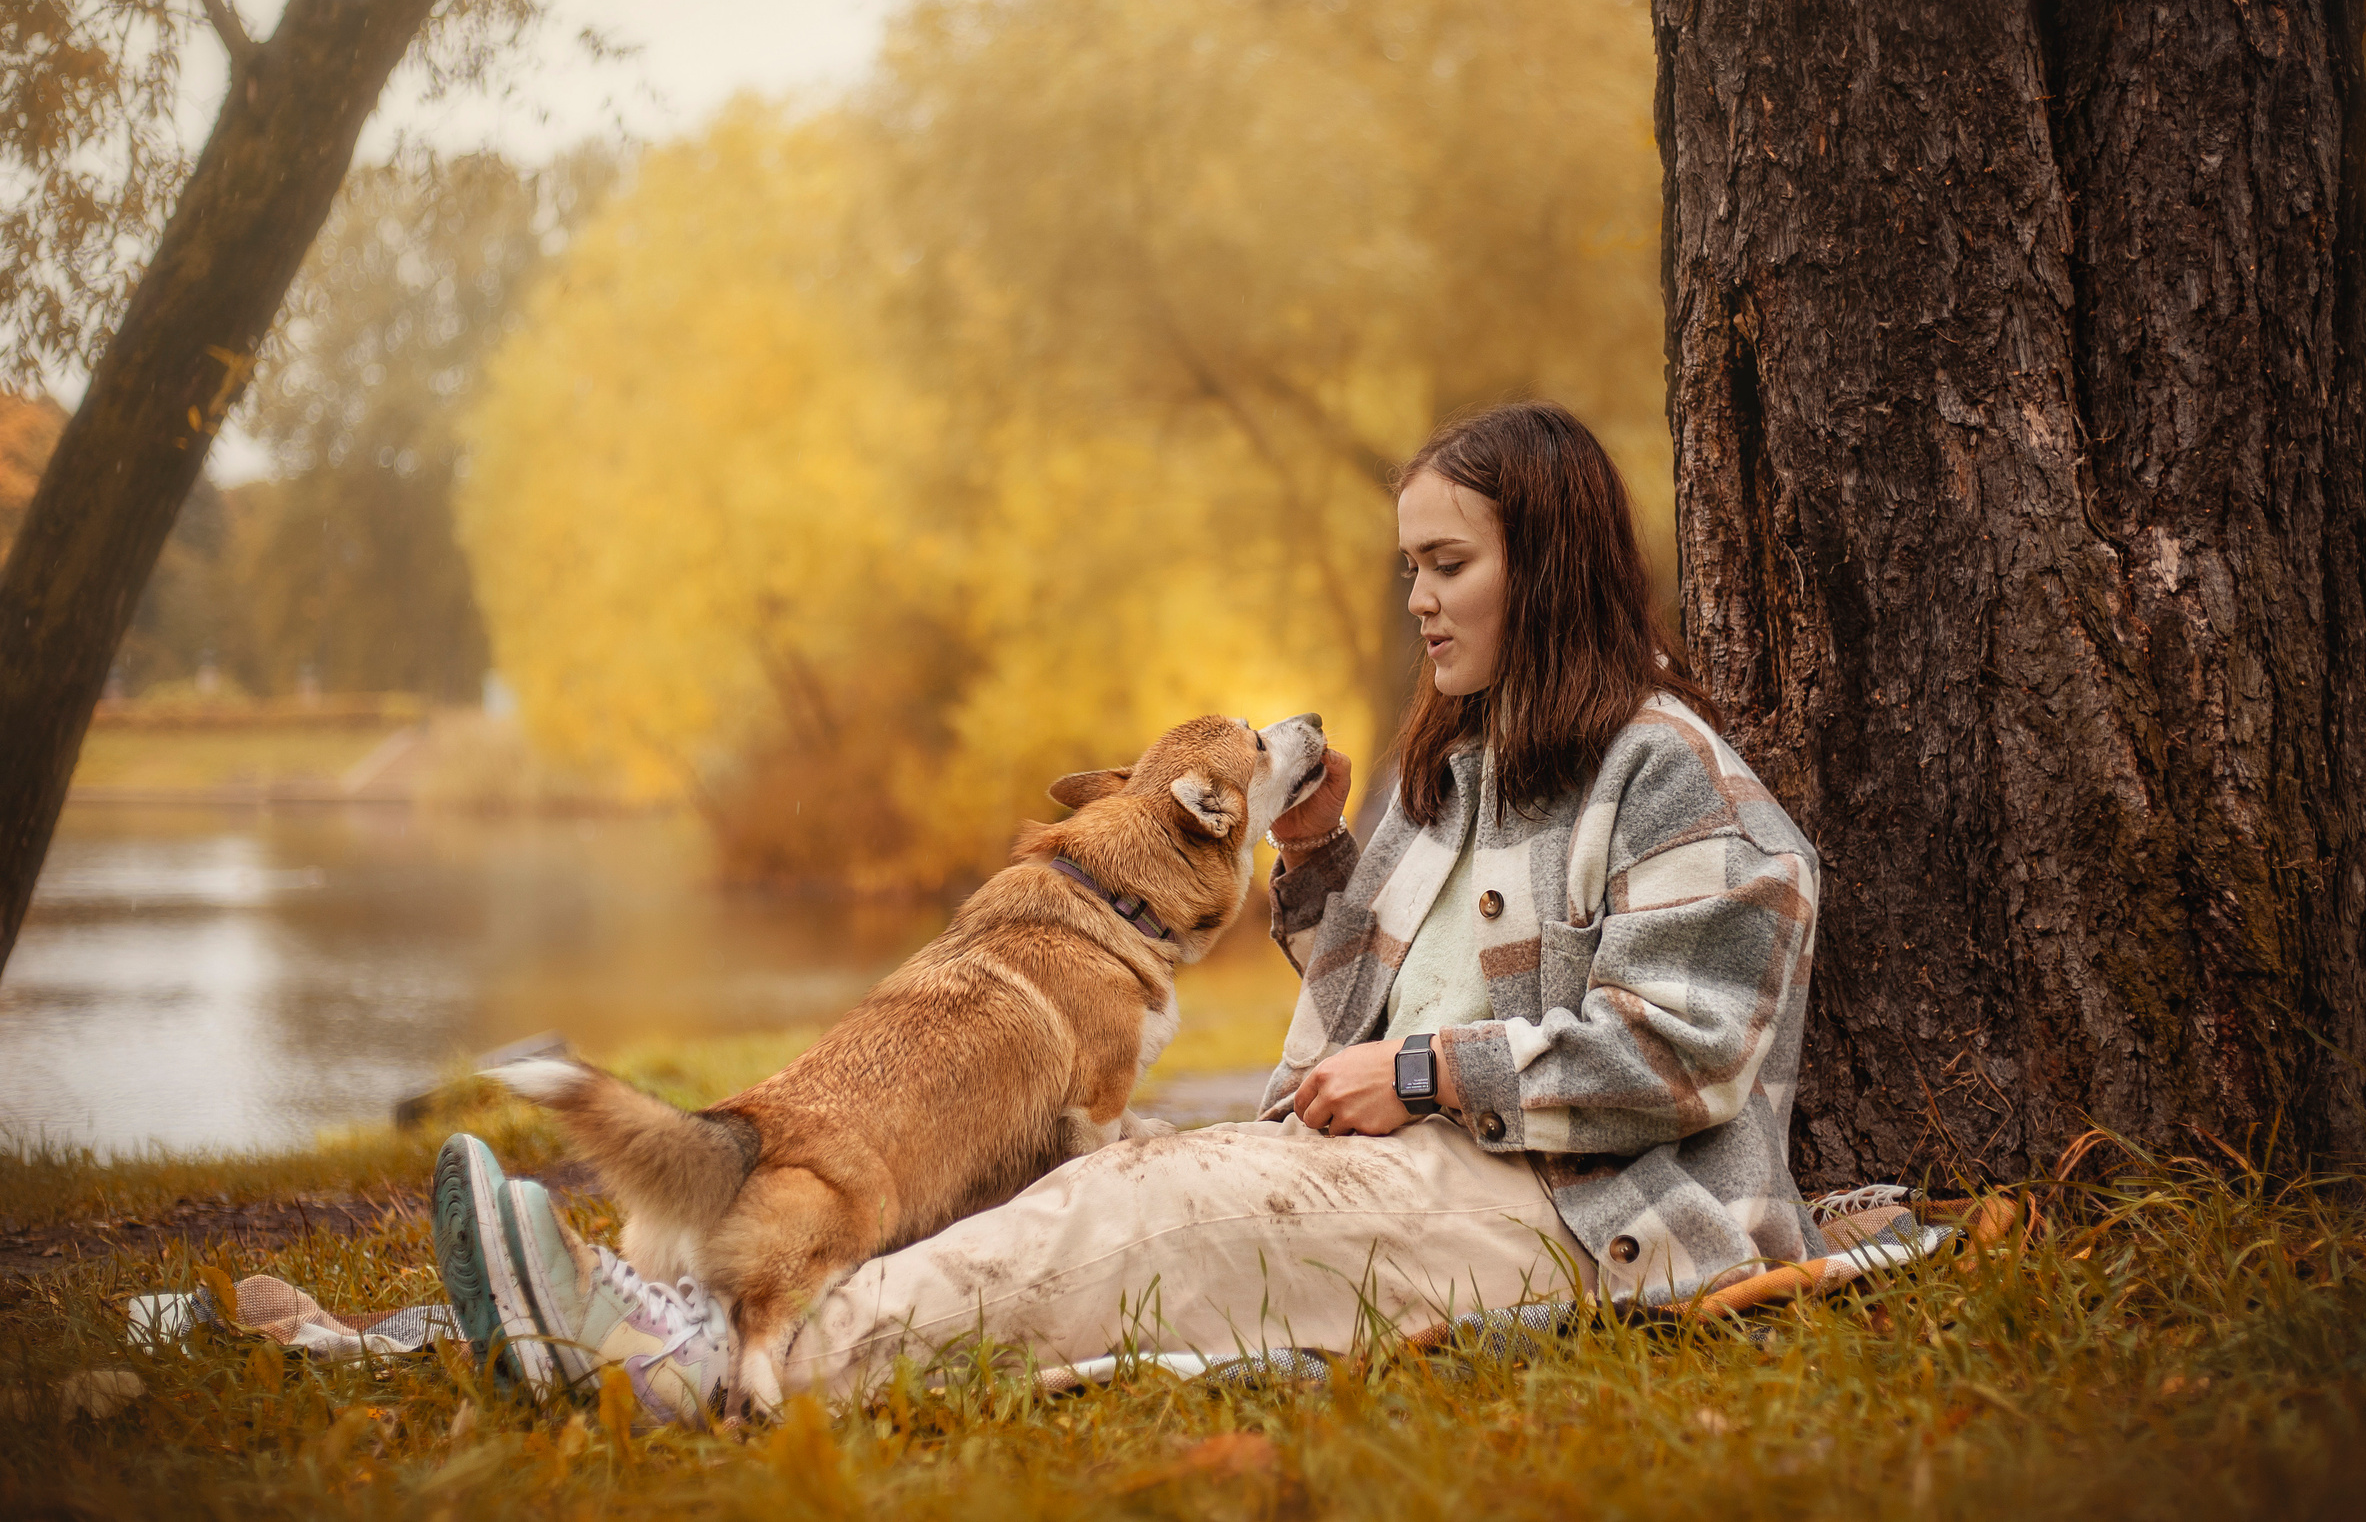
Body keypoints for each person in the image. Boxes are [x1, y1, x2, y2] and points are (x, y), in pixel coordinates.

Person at [431, 401, 1824, 1424]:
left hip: (1578, 1223)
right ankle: (730, 1299)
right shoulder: (1459, 770)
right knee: (1098, 1180)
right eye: (1410, 566)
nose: (1416, 601)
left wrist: (1420, 1072)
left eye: (1447, 564)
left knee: (1163, 1211)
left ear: (1558, 563)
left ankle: (693, 1368)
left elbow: (1690, 1050)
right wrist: (1328, 854)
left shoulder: (1672, 776)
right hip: (1429, 1170)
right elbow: (1374, 1010)